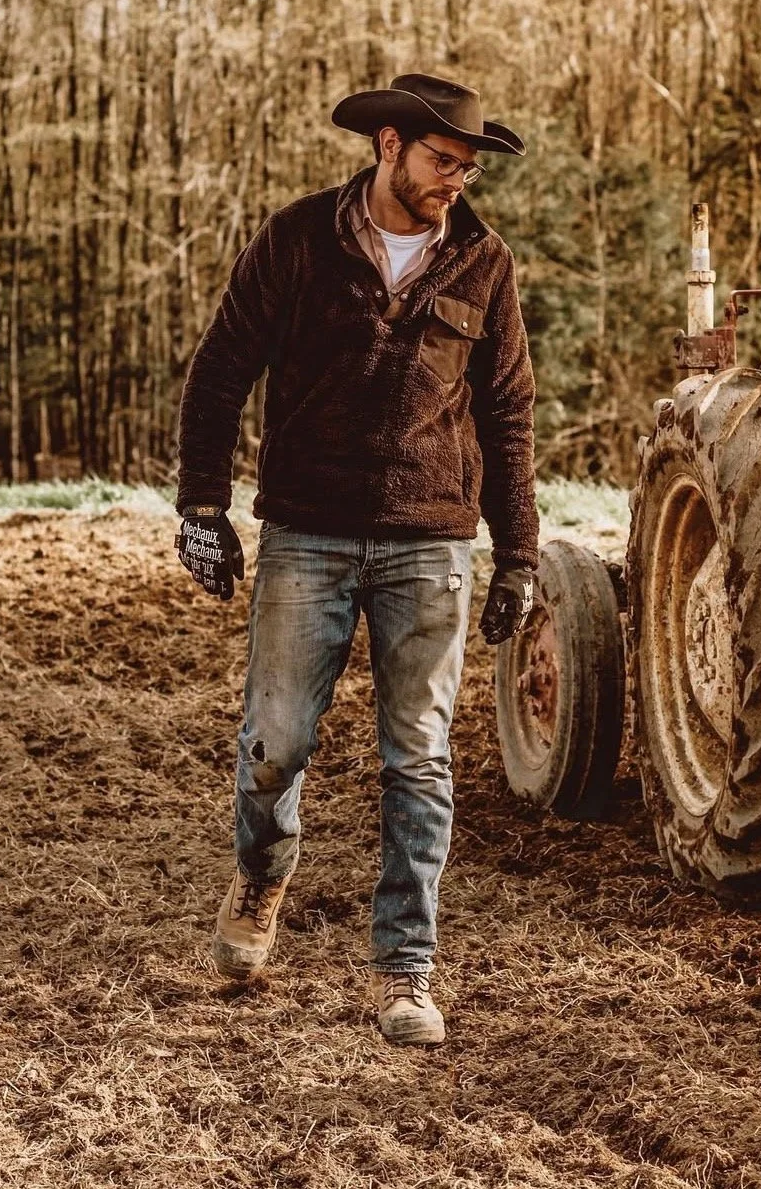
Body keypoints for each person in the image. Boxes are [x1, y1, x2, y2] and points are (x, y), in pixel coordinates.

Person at [174, 73, 538, 1046]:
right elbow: (218, 373)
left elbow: (508, 415)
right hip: (308, 532)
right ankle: (261, 876)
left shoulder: (484, 263)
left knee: (417, 756)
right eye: (440, 162)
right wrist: (202, 507)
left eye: (467, 167)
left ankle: (407, 969)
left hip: (431, 538)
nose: (455, 181)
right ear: (388, 146)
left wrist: (519, 556)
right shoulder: (298, 240)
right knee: (277, 741)